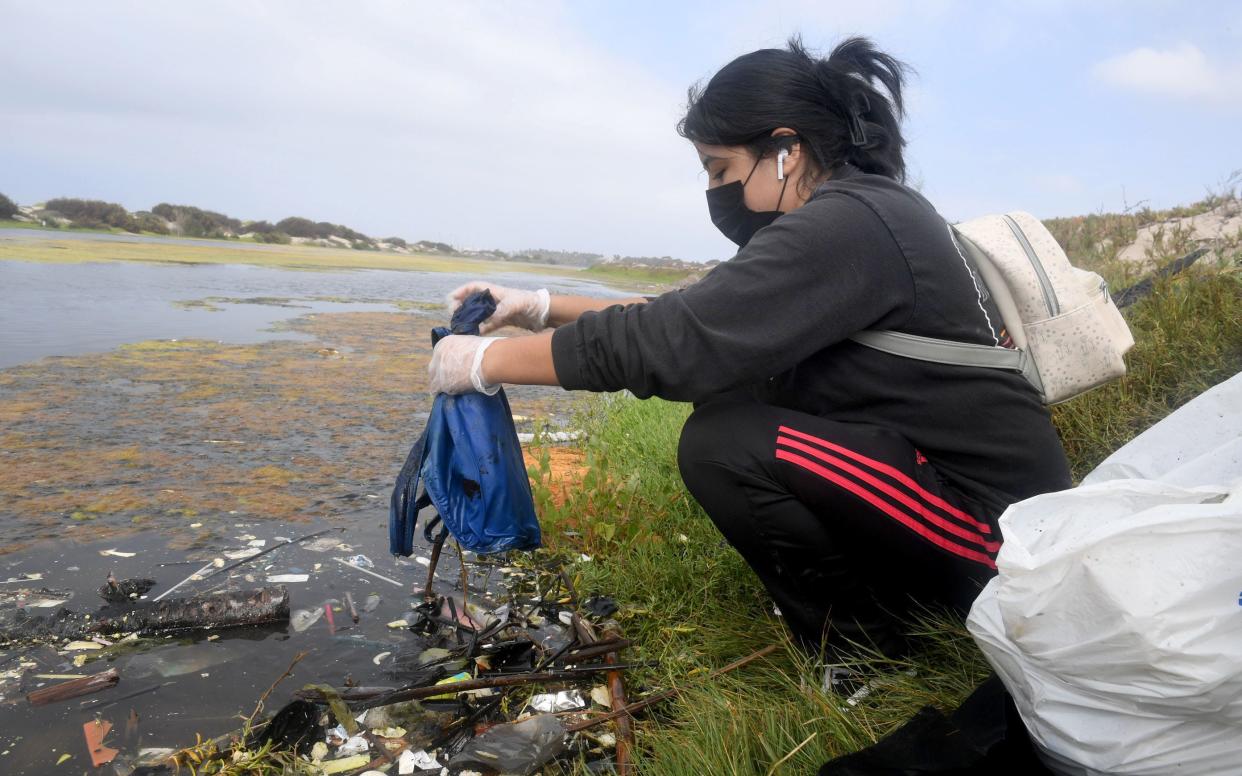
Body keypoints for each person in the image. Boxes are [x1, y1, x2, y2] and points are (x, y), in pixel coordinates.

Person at [428, 36, 1072, 660]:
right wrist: (534, 306)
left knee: (725, 442)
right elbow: (688, 314)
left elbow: (678, 342)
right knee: (736, 401)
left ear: (785, 150)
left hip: (1001, 540)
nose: (714, 192)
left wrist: (484, 364)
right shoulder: (862, 214)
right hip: (966, 506)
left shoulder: (853, 223)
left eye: (721, 169)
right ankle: (885, 601)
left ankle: (862, 650)